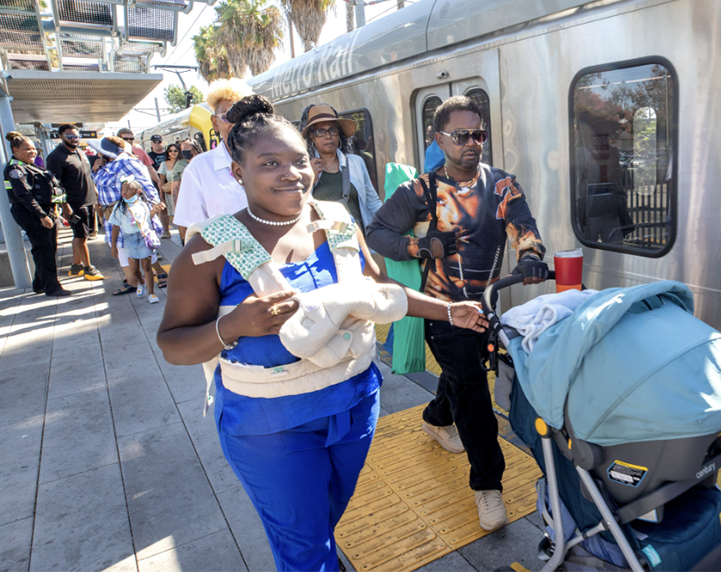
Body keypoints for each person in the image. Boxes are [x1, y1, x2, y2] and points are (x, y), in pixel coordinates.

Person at [157, 95, 487, 571]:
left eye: (298, 160)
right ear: (237, 173)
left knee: (322, 523)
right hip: (269, 425)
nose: (291, 173)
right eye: (270, 163)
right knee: (305, 548)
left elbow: (379, 289)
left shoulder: (336, 220)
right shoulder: (209, 249)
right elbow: (173, 344)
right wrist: (235, 324)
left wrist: (447, 310)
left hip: (354, 406)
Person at [366, 95, 548, 532]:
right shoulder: (421, 191)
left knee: (461, 377)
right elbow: (377, 233)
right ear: (439, 139)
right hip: (443, 312)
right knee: (473, 392)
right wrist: (418, 246)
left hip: (484, 307)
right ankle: (489, 486)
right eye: (461, 135)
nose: (472, 143)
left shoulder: (503, 186)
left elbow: (524, 230)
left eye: (478, 134)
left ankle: (435, 418)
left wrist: (531, 256)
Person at [173, 79, 252, 238]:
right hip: (225, 260)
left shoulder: (270, 159)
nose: (235, 123)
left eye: (242, 116)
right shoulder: (199, 168)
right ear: (215, 123)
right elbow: (189, 229)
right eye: (226, 116)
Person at [3, 132, 71, 297]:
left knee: (48, 248)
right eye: (28, 149)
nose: (33, 152)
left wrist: (60, 207)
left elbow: (52, 186)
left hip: (45, 210)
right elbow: (24, 195)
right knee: (44, 249)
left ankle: (40, 283)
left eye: (34, 149)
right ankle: (52, 287)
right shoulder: (15, 169)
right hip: (31, 213)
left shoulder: (31, 166)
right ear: (15, 150)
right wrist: (41, 215)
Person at [92, 136, 162, 296]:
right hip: (116, 215)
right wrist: (95, 170)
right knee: (123, 247)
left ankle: (137, 281)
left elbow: (145, 184)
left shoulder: (126, 162)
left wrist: (153, 208)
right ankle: (138, 279)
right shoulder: (110, 164)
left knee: (133, 246)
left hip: (129, 215)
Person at [298, 104, 382, 231]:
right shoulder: (305, 169)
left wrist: (388, 226)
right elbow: (299, 209)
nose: (328, 136)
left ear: (338, 134)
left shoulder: (356, 162)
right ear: (312, 137)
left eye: (333, 130)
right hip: (322, 243)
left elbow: (372, 202)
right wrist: (310, 180)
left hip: (358, 241)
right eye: (320, 131)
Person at [46, 123, 104, 281]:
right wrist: (64, 206)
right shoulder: (55, 157)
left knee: (80, 235)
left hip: (89, 200)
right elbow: (54, 186)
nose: (74, 139)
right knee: (81, 236)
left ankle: (76, 266)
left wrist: (95, 193)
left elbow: (87, 174)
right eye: (69, 136)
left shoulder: (80, 152)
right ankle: (88, 268)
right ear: (61, 137)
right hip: (74, 204)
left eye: (76, 136)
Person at [108, 177, 161, 304]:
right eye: (122, 190)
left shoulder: (143, 204)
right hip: (129, 240)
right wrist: (113, 246)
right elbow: (115, 227)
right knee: (134, 270)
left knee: (147, 267)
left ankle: (151, 293)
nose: (124, 192)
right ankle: (141, 282)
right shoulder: (119, 208)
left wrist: (154, 211)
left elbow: (148, 220)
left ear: (137, 191)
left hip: (143, 238)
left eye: (128, 189)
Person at [147, 134, 172, 234]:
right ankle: (165, 230)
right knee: (162, 207)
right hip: (157, 184)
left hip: (171, 182)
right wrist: (158, 182)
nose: (157, 144)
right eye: (155, 142)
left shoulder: (168, 153)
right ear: (151, 143)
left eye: (159, 142)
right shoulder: (149, 155)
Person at [157, 143, 181, 222]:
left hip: (183, 190)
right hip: (171, 192)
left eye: (175, 150)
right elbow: (162, 180)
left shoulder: (183, 163)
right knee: (175, 215)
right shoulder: (164, 164)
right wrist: (161, 195)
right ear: (168, 152)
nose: (173, 152)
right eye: (170, 151)